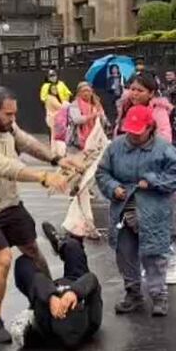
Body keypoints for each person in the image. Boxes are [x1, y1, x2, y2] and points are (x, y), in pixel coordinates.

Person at [0, 86, 80, 344]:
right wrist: (43, 177)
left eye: (14, 114)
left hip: (8, 204)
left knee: (32, 249)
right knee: (3, 259)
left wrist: (57, 159)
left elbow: (28, 143)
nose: (13, 120)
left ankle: (49, 297)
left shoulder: (8, 128)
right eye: (8, 114)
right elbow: (5, 167)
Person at [96, 104, 176, 317]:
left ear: (150, 128)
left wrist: (153, 181)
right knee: (124, 252)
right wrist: (112, 187)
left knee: (154, 253)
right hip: (123, 209)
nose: (134, 137)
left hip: (152, 210)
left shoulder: (164, 149)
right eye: (130, 132)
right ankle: (133, 293)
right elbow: (102, 173)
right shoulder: (115, 147)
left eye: (139, 132)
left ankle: (158, 295)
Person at [8, 222, 103, 350]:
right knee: (73, 246)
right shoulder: (92, 321)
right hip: (75, 281)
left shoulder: (45, 327)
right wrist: (74, 292)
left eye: (61, 312)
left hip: (46, 290)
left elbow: (37, 280)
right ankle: (60, 243)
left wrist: (50, 297)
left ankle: (62, 245)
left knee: (23, 263)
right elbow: (92, 279)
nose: (65, 308)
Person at [61, 82, 110, 239]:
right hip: (78, 145)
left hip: (94, 146)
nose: (86, 93)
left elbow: (104, 121)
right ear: (78, 92)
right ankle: (77, 191)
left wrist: (100, 116)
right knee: (79, 177)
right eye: (83, 91)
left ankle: (83, 219)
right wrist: (92, 116)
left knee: (86, 179)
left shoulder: (96, 104)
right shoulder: (75, 105)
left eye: (89, 90)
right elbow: (76, 120)